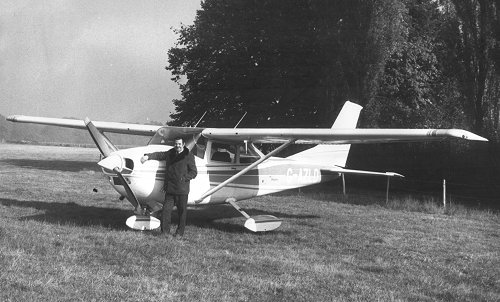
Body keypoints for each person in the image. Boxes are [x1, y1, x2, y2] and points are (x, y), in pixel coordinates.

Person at [140, 137, 197, 238]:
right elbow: (159, 155)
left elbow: (194, 172)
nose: (177, 146)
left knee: (182, 213)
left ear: (183, 144)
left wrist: (184, 178)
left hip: (182, 189)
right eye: (176, 144)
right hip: (170, 189)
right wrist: (147, 156)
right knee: (166, 211)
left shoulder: (189, 155)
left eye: (179, 144)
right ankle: (165, 233)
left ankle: (179, 233)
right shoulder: (170, 153)